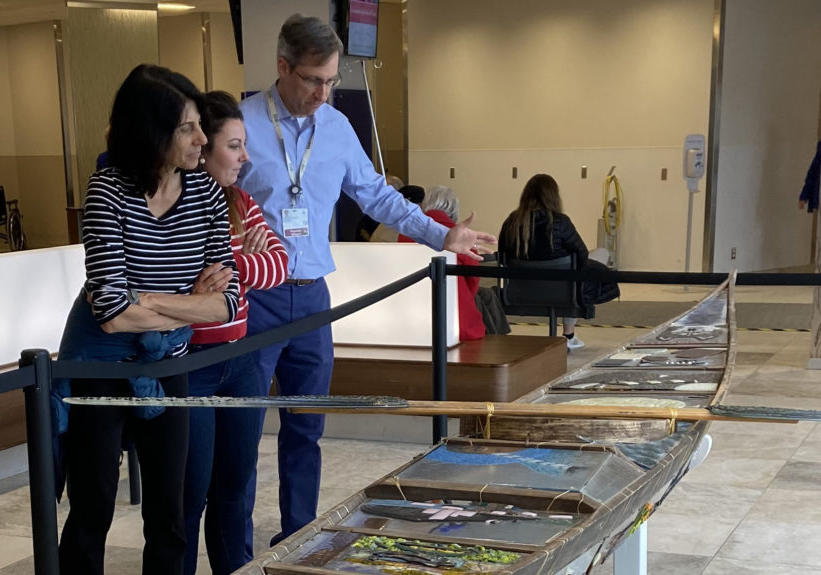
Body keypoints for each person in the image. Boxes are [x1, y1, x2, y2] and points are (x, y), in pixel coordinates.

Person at [236, 13, 497, 551]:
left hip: (312, 298)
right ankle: (235, 552)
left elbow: (376, 196)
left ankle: (297, 538)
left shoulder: (335, 127)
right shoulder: (242, 126)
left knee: (306, 428)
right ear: (283, 67)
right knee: (240, 433)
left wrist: (438, 235)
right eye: (313, 80)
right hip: (252, 299)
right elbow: (210, 202)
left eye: (332, 81)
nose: (324, 93)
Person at [56, 64, 239, 575]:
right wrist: (183, 301)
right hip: (100, 366)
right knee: (92, 508)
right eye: (187, 128)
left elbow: (226, 304)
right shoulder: (107, 192)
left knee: (171, 513)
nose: (202, 139)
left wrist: (147, 299)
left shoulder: (204, 194)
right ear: (150, 130)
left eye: (201, 125)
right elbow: (111, 317)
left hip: (166, 366)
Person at [183, 91, 289, 575]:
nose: (246, 157)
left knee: (234, 488)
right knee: (188, 496)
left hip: (242, 360)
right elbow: (180, 280)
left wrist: (231, 264)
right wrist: (234, 263)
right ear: (201, 147)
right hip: (194, 365)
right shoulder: (177, 204)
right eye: (234, 145)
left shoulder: (242, 202)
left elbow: (279, 265)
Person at [498, 173, 619, 349]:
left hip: (520, 291)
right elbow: (582, 254)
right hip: (561, 292)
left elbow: (502, 255)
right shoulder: (560, 222)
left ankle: (569, 335)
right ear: (554, 196)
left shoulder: (512, 221)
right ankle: (568, 334)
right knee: (600, 253)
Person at [398, 185, 485, 340]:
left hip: (412, 318)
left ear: (425, 205)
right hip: (457, 319)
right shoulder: (462, 236)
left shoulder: (405, 234)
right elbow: (473, 281)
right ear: (454, 209)